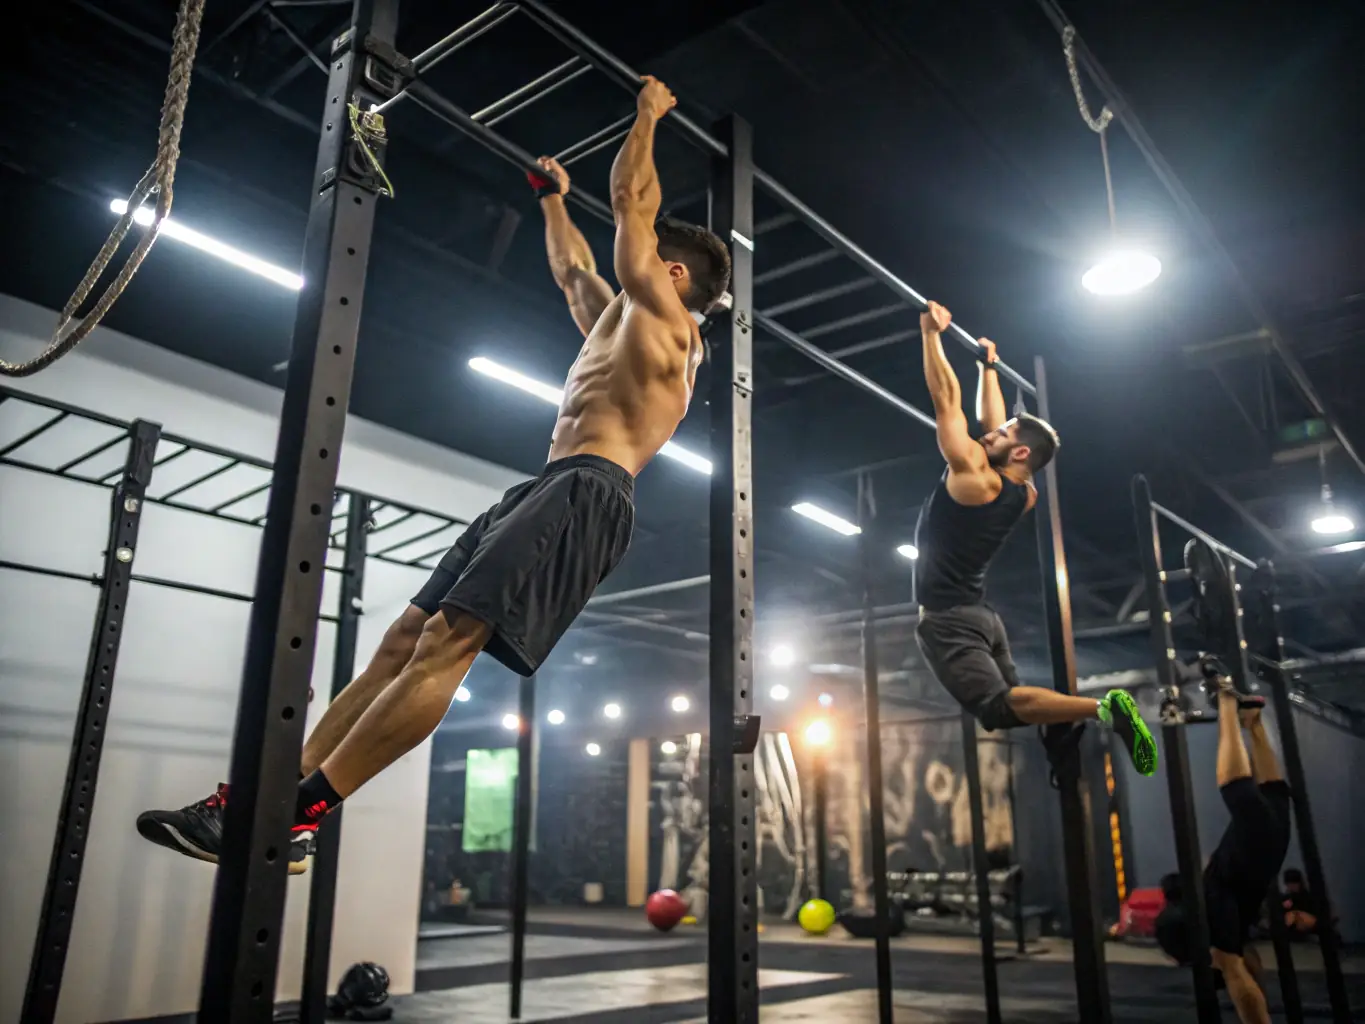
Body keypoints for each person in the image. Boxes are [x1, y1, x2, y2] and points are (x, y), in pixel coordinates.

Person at [136, 76, 731, 872]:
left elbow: (631, 203)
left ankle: (300, 814)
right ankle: (266, 799)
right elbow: (573, 272)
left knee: (442, 646)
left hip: (588, 488)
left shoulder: (666, 323)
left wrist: (649, 113)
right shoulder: (623, 323)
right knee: (403, 640)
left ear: (676, 276)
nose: (637, 260)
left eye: (653, 259)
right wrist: (553, 200)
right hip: (548, 482)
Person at [911, 301, 1157, 776]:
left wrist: (930, 336)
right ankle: (1062, 731)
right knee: (1021, 706)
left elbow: (946, 400)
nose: (991, 434)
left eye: (1003, 434)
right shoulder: (1023, 492)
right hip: (980, 618)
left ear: (1020, 450)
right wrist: (989, 370)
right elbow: (990, 426)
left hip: (951, 622)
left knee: (998, 708)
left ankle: (1103, 709)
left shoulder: (974, 477)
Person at [1154, 664, 1291, 1024]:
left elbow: (1247, 966)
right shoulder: (1219, 921)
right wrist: (1226, 964)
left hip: (1273, 847)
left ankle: (1253, 721)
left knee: (1273, 793)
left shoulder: (1229, 920)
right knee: (1236, 788)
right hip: (1253, 847)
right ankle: (1228, 703)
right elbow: (1236, 972)